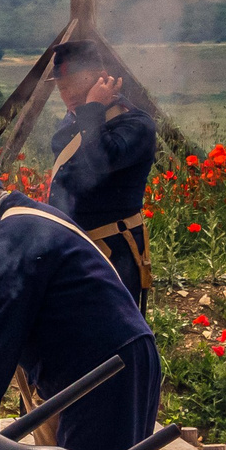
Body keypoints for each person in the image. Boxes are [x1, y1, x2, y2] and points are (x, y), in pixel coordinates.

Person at [0, 153, 162, 450]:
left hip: (105, 368)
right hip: (111, 361)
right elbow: (13, 297)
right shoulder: (20, 224)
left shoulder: (12, 233)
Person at [42, 38, 157, 311]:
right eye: (61, 86)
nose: (66, 93)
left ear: (99, 79)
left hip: (113, 252)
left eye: (71, 83)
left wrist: (93, 109)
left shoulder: (135, 123)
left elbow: (100, 162)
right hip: (73, 247)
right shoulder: (75, 121)